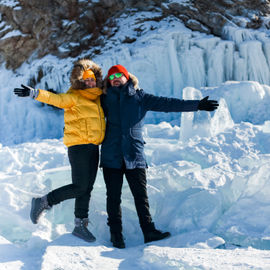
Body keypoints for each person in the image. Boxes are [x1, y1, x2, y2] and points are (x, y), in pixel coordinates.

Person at [100, 64, 219, 248]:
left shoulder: (140, 97)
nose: (115, 78)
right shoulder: (104, 99)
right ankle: (116, 236)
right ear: (109, 81)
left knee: (141, 197)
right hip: (111, 155)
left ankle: (149, 231)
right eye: (111, 76)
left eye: (119, 75)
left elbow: (168, 104)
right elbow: (85, 114)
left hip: (134, 154)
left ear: (126, 76)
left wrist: (196, 105)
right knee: (113, 198)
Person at [13, 59, 105, 243]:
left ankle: (80, 226)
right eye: (86, 80)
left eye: (92, 80)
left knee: (86, 188)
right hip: (78, 147)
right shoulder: (74, 96)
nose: (90, 83)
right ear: (80, 81)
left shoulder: (98, 99)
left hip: (94, 147)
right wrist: (34, 93)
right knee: (79, 186)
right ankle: (44, 201)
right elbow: (55, 99)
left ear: (97, 80)